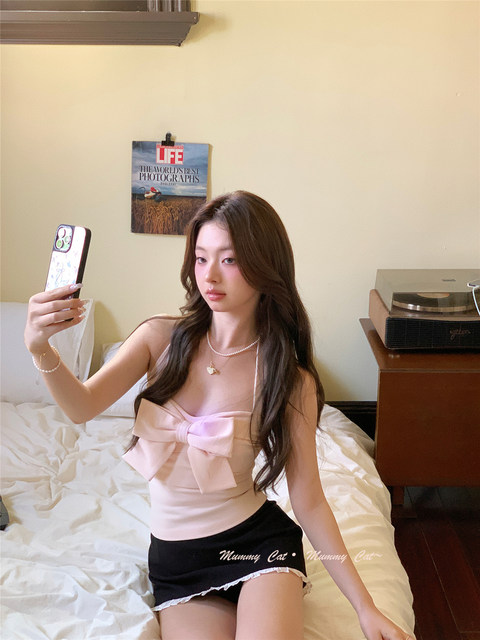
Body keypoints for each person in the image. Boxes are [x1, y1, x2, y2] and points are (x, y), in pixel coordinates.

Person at [25, 191, 412, 640]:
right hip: (179, 563)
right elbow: (81, 407)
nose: (209, 275)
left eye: (229, 260)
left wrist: (365, 607)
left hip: (259, 548)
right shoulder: (158, 339)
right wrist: (39, 346)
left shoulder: (288, 378)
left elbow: (309, 501)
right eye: (201, 258)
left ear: (265, 266)